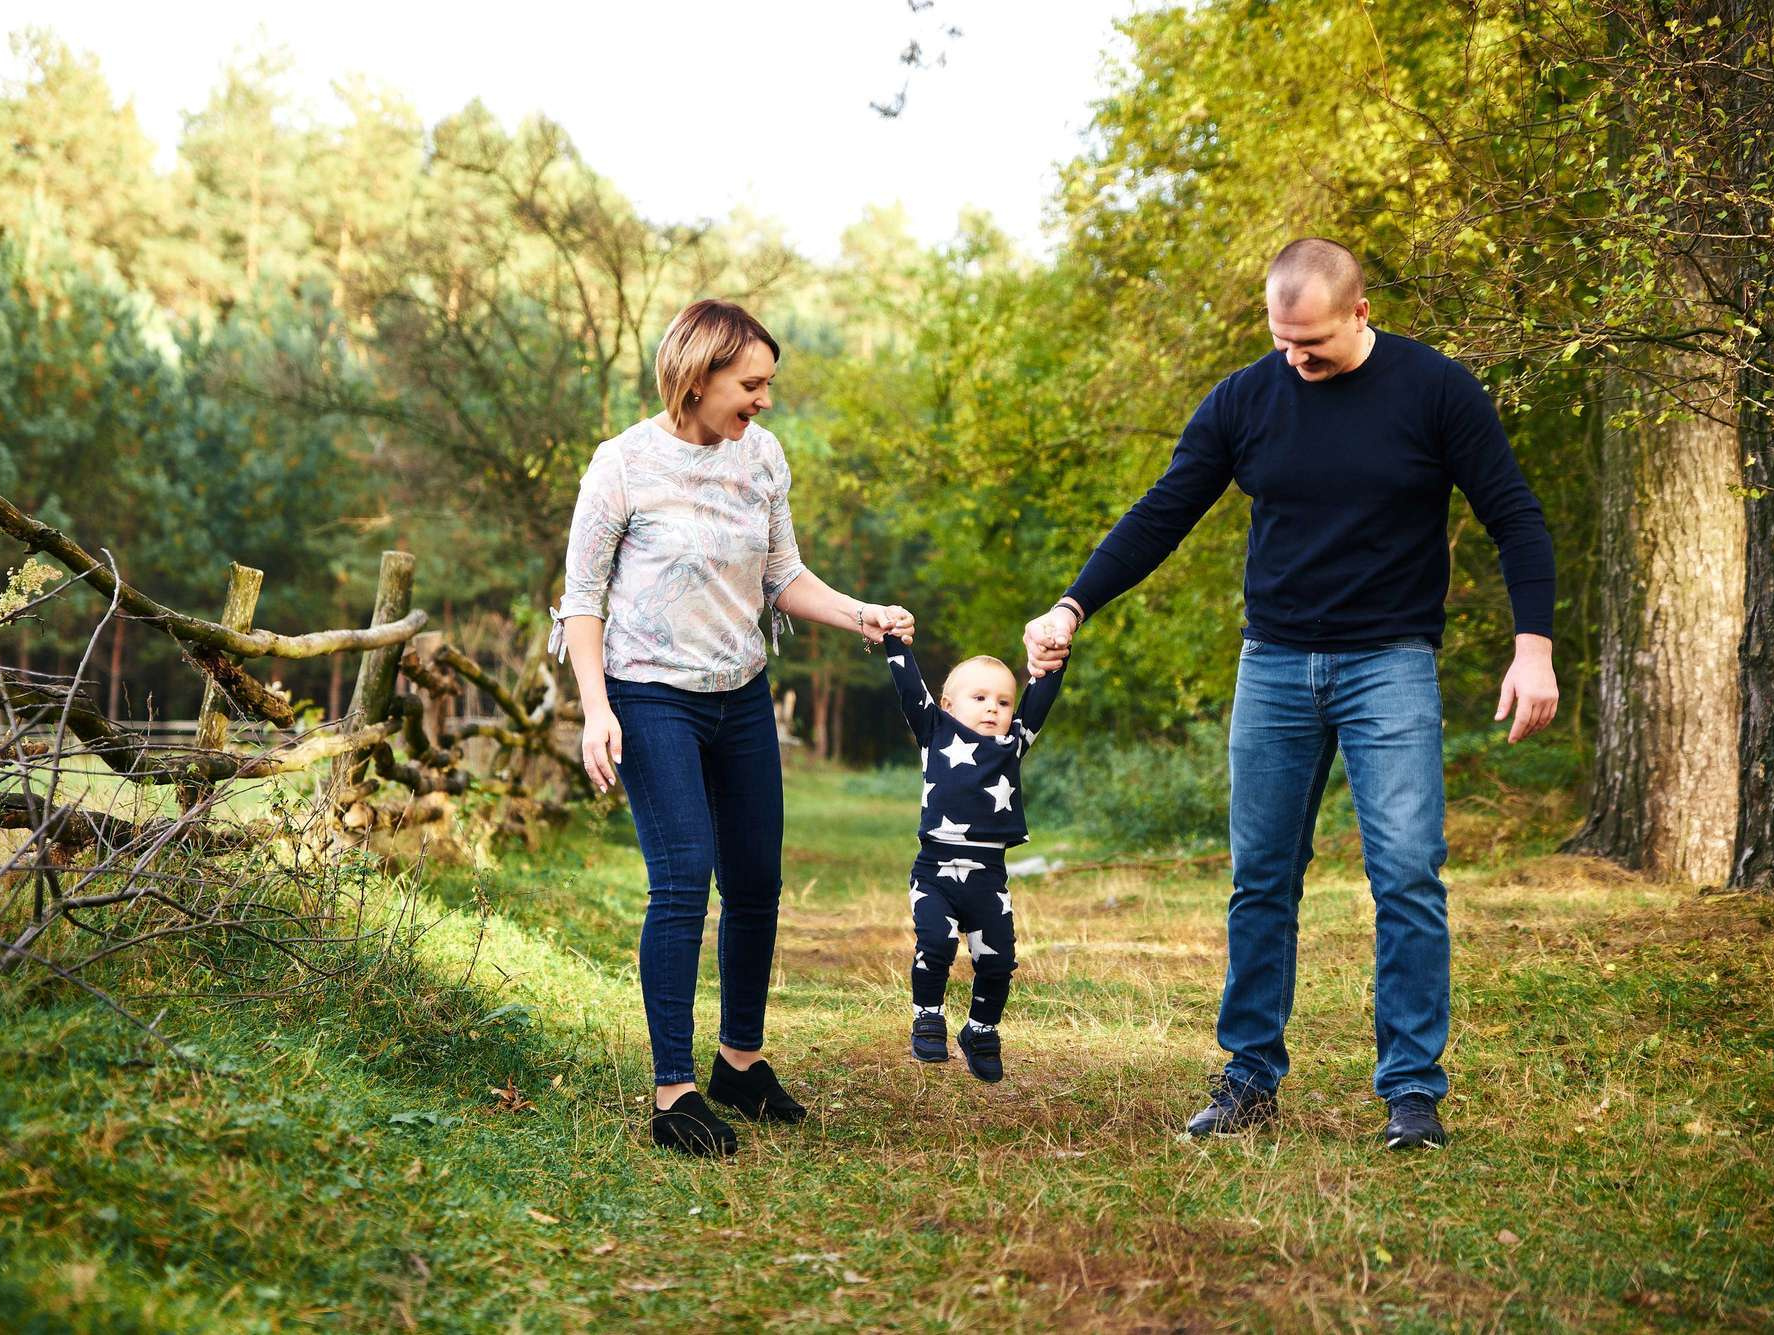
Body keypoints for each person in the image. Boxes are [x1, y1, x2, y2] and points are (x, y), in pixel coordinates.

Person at [1023, 239, 1558, 1151]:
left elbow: (1512, 512)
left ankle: (1412, 1092)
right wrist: (1075, 600)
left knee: (1407, 876)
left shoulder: (1436, 390)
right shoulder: (1247, 396)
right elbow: (1165, 510)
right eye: (1282, 341)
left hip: (1389, 662)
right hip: (1273, 665)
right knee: (1261, 878)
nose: (1296, 361)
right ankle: (1248, 1079)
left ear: (1359, 313)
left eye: (1313, 343)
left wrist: (1533, 647)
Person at [553, 299, 914, 1156]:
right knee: (684, 875)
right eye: (751, 384)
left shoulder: (763, 457)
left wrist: (860, 612)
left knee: (754, 879)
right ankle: (673, 1091)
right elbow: (581, 600)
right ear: (699, 372)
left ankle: (739, 1064)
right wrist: (597, 708)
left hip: (741, 691)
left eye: (768, 384)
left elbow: (782, 573)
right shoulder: (623, 465)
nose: (764, 400)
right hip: (650, 694)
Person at [880, 633, 1068, 1082]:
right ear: (947, 705)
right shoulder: (935, 732)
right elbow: (910, 691)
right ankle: (928, 1016)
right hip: (935, 873)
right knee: (937, 945)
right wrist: (895, 641)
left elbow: (1040, 696)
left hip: (988, 878)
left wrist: (1056, 655)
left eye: (1003, 702)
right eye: (980, 698)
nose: (993, 709)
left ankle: (981, 1030)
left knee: (998, 960)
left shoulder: (1013, 744)